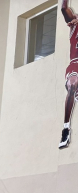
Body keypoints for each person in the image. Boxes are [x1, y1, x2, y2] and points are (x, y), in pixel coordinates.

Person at [60, 0, 78, 148]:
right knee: (72, 83)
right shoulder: (74, 25)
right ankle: (66, 128)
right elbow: (64, 8)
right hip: (75, 63)